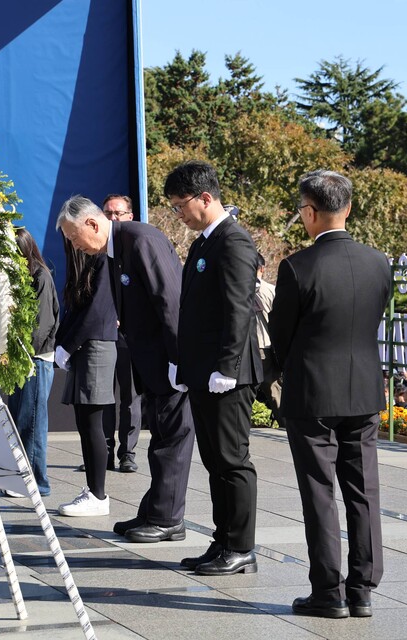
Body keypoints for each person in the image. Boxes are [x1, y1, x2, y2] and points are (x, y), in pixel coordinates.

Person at [269, 169, 390, 619]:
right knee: (364, 492)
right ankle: (362, 588)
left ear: (310, 211)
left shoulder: (297, 266)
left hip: (312, 393)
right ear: (350, 208)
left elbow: (280, 335)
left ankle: (327, 590)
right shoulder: (379, 261)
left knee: (319, 492)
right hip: (363, 391)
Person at [56, 196, 195, 543]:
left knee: (173, 440)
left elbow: (170, 300)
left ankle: (167, 519)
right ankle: (154, 511)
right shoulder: (114, 252)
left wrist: (180, 360)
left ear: (91, 223)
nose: (73, 245)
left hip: (171, 363)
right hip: (152, 363)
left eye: (73, 236)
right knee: (160, 439)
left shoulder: (141, 239)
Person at [166, 161, 262, 577]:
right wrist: (182, 363)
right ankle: (223, 540)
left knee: (232, 461)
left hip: (228, 374)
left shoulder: (233, 241)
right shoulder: (205, 242)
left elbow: (239, 308)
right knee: (214, 460)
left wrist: (227, 366)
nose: (179, 214)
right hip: (204, 371)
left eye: (180, 205)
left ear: (206, 197)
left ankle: (241, 547)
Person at [54, 235, 118, 516]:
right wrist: (61, 345)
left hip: (96, 347)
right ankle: (92, 490)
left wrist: (67, 346)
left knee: (93, 424)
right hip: (85, 348)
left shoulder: (104, 261)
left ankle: (98, 494)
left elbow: (94, 313)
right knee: (84, 423)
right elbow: (75, 311)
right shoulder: (88, 266)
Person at [5, 228, 59, 498]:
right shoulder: (20, 277)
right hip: (19, 358)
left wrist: (23, 352)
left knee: (33, 421)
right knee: (18, 419)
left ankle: (38, 482)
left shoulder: (40, 276)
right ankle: (21, 477)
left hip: (35, 359)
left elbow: (42, 324)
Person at [101, 194, 142, 472]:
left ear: (130, 216)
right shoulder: (95, 250)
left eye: (118, 213)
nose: (113, 219)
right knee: (103, 395)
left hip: (130, 335)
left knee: (130, 397)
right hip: (102, 335)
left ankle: (127, 453)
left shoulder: (139, 248)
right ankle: (102, 452)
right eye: (108, 214)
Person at [254, 252, 285, 428]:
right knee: (274, 389)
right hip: (265, 346)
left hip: (257, 345)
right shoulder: (271, 291)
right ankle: (285, 424)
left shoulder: (241, 288)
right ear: (263, 269)